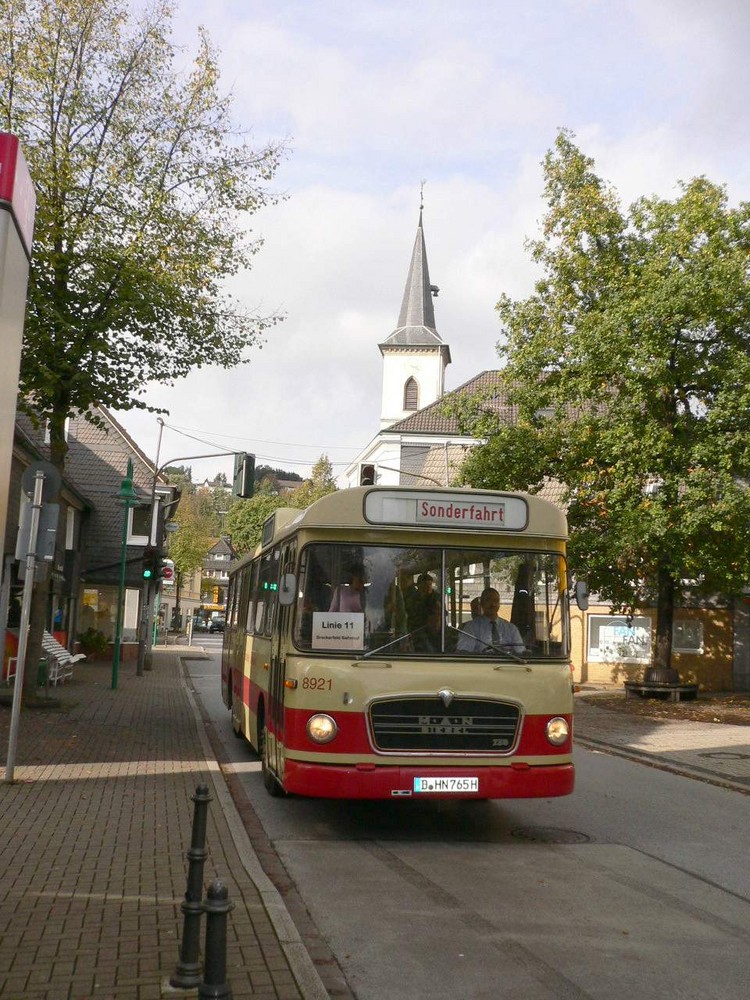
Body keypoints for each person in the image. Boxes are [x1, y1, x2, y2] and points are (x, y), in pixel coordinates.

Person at [456, 587, 525, 654]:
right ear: (482, 604)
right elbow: (464, 652)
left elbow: (521, 652)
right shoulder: (471, 628)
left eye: (496, 601)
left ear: (499, 604)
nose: (492, 604)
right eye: (488, 600)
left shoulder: (511, 628)